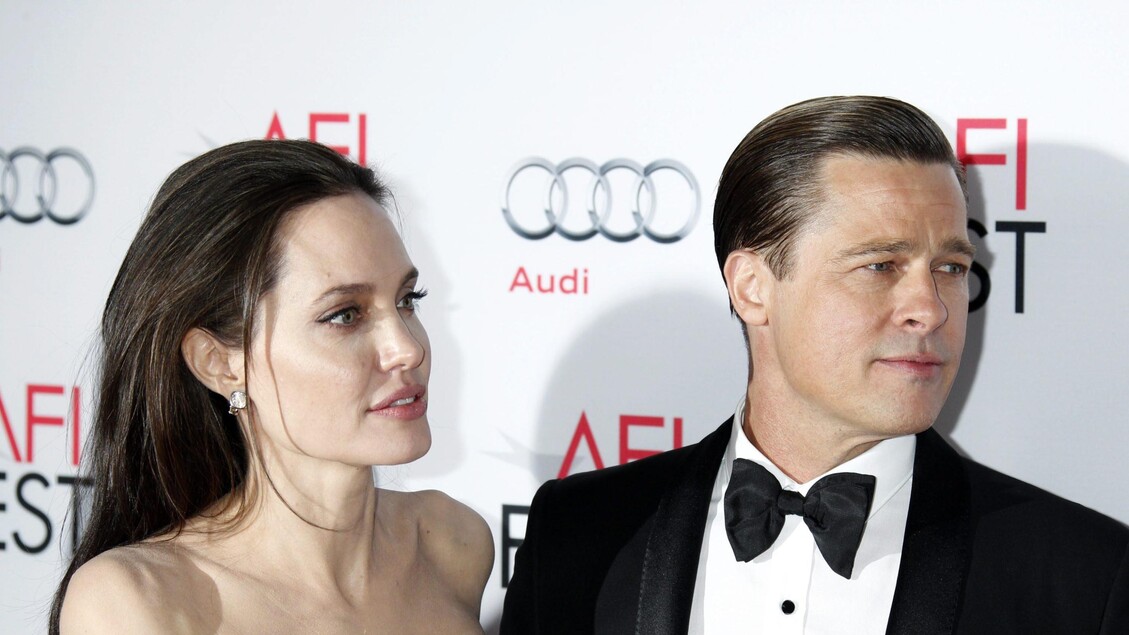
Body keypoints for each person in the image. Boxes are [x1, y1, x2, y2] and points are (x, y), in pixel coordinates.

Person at [500, 96, 1129, 634]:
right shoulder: (579, 535)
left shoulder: (1083, 579)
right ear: (753, 288)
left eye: (950, 267)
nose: (930, 309)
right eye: (879, 265)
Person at [50, 139, 493, 634]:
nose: (407, 349)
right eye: (344, 315)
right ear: (220, 364)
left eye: (407, 299)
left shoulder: (451, 545)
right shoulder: (139, 602)